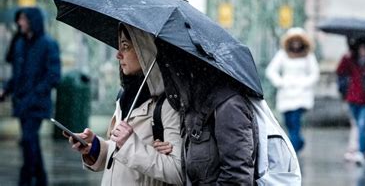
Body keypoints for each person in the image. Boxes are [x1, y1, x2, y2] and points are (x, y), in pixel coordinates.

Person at [66, 23, 183, 185]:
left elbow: (177, 172)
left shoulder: (168, 105)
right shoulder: (125, 96)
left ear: (147, 51)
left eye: (126, 47)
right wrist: (93, 148)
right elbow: (119, 154)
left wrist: (129, 143)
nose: (118, 55)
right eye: (119, 46)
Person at [154, 36, 258, 185]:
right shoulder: (192, 106)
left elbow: (237, 177)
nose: (171, 73)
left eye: (172, 63)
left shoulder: (228, 106)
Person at [0, 7, 61, 186]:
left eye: (24, 19)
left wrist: (36, 94)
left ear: (33, 21)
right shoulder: (20, 43)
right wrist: (6, 89)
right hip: (21, 102)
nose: (20, 23)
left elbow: (54, 75)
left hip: (37, 104)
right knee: (30, 141)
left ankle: (25, 179)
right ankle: (41, 178)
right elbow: (17, 74)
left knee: (28, 139)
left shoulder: (48, 44)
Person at [265, 27, 320, 154]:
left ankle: (292, 150)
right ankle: (298, 142)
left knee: (295, 122)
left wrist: (303, 83)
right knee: (289, 123)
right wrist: (281, 82)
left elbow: (314, 74)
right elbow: (271, 71)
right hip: (286, 94)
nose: (296, 44)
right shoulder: (282, 55)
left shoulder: (308, 56)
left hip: (301, 95)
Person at [336, 37, 365, 165]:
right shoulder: (351, 60)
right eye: (360, 49)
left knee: (362, 124)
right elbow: (340, 70)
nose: (363, 51)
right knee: (358, 125)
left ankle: (361, 151)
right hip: (353, 97)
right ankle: (358, 149)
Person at [337, 37, 359, 162]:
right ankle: (354, 147)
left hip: (359, 96)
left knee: (357, 123)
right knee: (355, 123)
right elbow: (340, 73)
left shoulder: (364, 60)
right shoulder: (347, 59)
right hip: (350, 96)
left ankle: (355, 147)